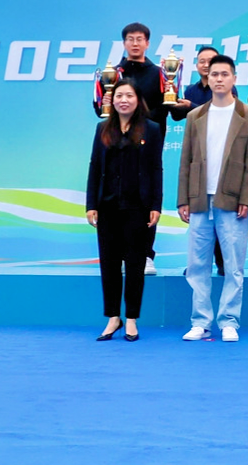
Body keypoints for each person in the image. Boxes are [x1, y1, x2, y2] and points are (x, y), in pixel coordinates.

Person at [179, 55, 248, 342]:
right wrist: (183, 199)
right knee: (197, 264)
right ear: (207, 77)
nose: (218, 79)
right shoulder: (195, 116)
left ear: (234, 78)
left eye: (224, 74)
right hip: (200, 199)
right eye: (214, 74)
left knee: (234, 265)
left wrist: (247, 198)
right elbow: (186, 160)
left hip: (232, 199)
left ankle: (229, 321)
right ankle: (200, 322)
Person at [85, 80, 163, 342]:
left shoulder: (151, 129)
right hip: (107, 207)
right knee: (109, 265)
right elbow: (95, 167)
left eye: (129, 95)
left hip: (138, 207)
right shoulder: (102, 128)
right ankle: (112, 317)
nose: (124, 100)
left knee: (135, 265)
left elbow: (156, 169)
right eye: (119, 95)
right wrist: (91, 204)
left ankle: (131, 319)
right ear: (112, 100)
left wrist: (155, 205)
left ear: (137, 100)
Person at [94, 22, 169, 275]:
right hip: (116, 143)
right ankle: (121, 254)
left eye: (140, 39)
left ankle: (146, 254)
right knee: (117, 196)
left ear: (148, 43)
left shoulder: (159, 74)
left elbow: (166, 107)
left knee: (146, 196)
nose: (135, 43)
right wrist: (105, 102)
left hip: (148, 143)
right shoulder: (113, 73)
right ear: (124, 43)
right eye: (130, 39)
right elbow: (101, 110)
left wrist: (141, 122)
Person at [170, 45, 238, 276]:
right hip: (200, 161)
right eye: (202, 61)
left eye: (211, 61)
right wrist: (172, 97)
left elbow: (226, 115)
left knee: (222, 221)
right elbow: (177, 115)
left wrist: (192, 107)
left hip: (223, 162)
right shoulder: (191, 89)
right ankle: (199, 265)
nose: (206, 65)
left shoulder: (227, 88)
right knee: (201, 225)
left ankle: (224, 263)